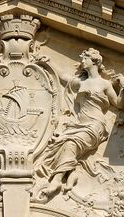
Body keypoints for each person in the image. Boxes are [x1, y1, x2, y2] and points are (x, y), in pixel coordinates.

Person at [35, 48, 124, 197]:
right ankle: (71, 173)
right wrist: (48, 62)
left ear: (95, 61)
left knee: (70, 143)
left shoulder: (105, 84)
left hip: (95, 125)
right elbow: (64, 77)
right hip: (78, 125)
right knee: (63, 144)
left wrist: (123, 87)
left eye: (86, 58)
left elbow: (119, 104)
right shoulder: (80, 82)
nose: (82, 61)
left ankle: (57, 179)